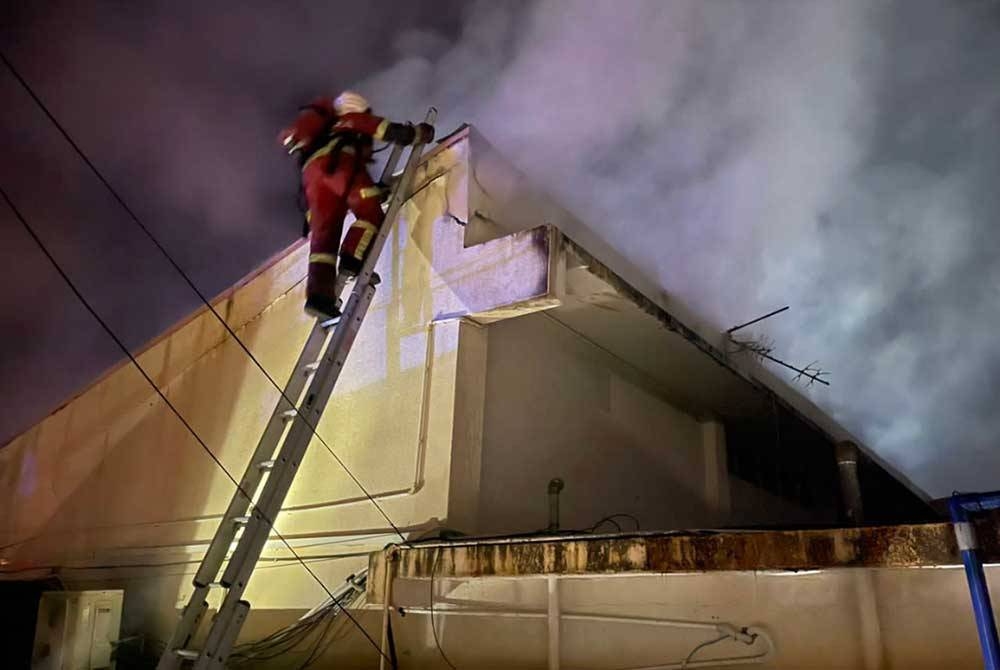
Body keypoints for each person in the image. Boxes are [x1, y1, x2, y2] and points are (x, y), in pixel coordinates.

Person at [279, 91, 434, 320]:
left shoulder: (323, 137)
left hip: (312, 183)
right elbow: (388, 131)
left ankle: (319, 299)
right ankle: (352, 259)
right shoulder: (349, 121)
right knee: (371, 215)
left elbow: (339, 189)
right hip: (339, 169)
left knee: (323, 243)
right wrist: (420, 133)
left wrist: (373, 190)